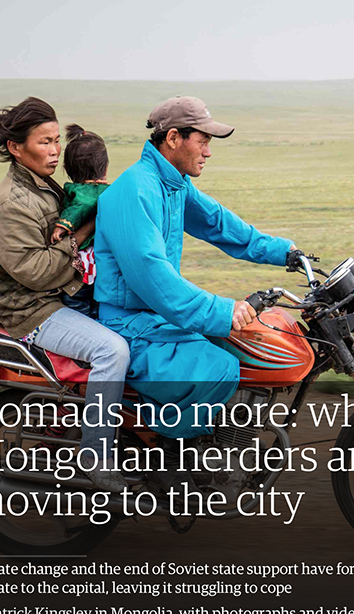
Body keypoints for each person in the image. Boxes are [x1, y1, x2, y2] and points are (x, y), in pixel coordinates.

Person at [93, 96, 295, 439]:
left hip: (154, 317)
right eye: (202, 142)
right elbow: (152, 275)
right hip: (130, 324)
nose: (208, 152)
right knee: (220, 367)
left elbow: (219, 223)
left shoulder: (174, 184)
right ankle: (172, 463)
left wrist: (284, 252)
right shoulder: (136, 190)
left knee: (237, 347)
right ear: (173, 139)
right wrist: (222, 310)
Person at [0, 98, 131, 492]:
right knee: (113, 350)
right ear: (15, 148)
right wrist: (83, 230)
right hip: (29, 309)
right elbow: (37, 273)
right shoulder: (13, 203)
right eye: (44, 142)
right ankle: (96, 459)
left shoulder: (41, 185)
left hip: (56, 296)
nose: (55, 150)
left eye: (57, 140)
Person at [50, 123, 110, 319]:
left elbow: (79, 207)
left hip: (81, 267)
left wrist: (62, 225)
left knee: (78, 306)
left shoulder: (81, 192)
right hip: (95, 265)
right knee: (94, 308)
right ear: (106, 167)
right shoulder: (101, 192)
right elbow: (82, 208)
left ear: (67, 168)